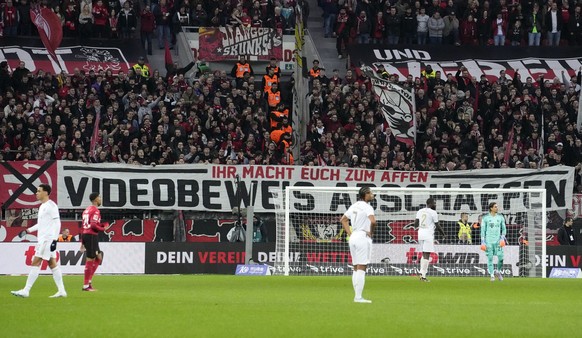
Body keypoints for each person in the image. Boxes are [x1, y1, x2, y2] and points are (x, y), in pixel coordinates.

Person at [11, 184, 67, 298]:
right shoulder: (42, 206)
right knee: (53, 264)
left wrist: (55, 240)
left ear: (46, 193)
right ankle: (61, 291)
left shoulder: (52, 206)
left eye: (39, 191)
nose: (36, 193)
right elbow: (41, 224)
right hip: (44, 239)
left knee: (35, 262)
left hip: (47, 239)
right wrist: (28, 230)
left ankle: (26, 290)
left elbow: (58, 223)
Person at [340, 187, 376, 303]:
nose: (372, 194)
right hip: (362, 236)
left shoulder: (354, 205)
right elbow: (373, 221)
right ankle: (358, 297)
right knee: (361, 266)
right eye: (370, 193)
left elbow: (343, 220)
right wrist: (371, 232)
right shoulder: (367, 207)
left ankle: (357, 295)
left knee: (356, 267)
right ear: (365, 194)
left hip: (353, 236)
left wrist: (350, 233)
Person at [81, 192, 108, 291]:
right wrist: (103, 229)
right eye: (99, 197)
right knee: (90, 259)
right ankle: (86, 285)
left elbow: (85, 225)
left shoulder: (86, 210)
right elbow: (93, 225)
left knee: (98, 257)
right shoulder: (95, 210)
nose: (101, 199)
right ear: (96, 199)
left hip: (86, 234)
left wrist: (82, 242)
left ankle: (89, 281)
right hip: (91, 235)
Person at [415, 198, 445, 282]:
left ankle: (421, 273)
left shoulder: (420, 211)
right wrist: (443, 234)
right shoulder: (433, 212)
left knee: (424, 253)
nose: (435, 205)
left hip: (420, 233)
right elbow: (437, 225)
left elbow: (415, 223)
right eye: (434, 203)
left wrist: (420, 227)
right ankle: (423, 275)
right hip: (428, 234)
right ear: (430, 203)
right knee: (426, 255)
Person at [480, 202, 507, 282]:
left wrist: (502, 238)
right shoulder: (485, 218)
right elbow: (483, 230)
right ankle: (492, 275)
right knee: (490, 258)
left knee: (501, 258)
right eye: (495, 207)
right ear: (491, 208)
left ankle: (498, 272)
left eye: (497, 207)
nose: (497, 208)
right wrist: (482, 241)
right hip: (489, 242)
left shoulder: (500, 217)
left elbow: (504, 229)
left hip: (498, 241)